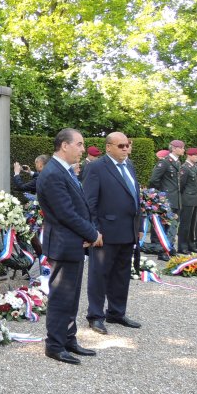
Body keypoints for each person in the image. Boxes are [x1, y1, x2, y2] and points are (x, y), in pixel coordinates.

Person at [36, 128, 102, 365]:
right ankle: (54, 345)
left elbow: (80, 207)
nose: (83, 149)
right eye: (80, 144)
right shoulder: (53, 173)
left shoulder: (64, 171)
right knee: (61, 297)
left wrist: (87, 232)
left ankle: (68, 339)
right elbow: (66, 213)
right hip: (64, 243)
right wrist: (92, 233)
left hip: (72, 241)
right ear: (64, 145)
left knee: (72, 296)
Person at [82, 132, 142, 335]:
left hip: (127, 230)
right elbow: (89, 202)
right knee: (99, 275)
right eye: (121, 146)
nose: (126, 149)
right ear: (108, 147)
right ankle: (95, 316)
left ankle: (116, 312)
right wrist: (94, 231)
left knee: (122, 274)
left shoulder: (130, 165)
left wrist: (139, 226)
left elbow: (136, 197)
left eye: (128, 145)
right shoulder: (96, 167)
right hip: (105, 233)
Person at [149, 140, 185, 257]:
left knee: (173, 225)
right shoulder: (165, 162)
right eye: (181, 147)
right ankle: (162, 251)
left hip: (176, 198)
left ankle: (170, 246)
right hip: (167, 199)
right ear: (174, 148)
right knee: (165, 225)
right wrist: (161, 195)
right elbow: (154, 180)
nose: (183, 149)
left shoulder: (178, 162)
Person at [177, 148, 197, 254]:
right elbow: (181, 185)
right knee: (185, 224)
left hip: (195, 199)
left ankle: (191, 244)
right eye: (195, 155)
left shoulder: (195, 167)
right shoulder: (185, 168)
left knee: (192, 224)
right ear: (189, 156)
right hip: (187, 200)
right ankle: (182, 246)